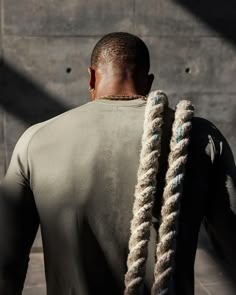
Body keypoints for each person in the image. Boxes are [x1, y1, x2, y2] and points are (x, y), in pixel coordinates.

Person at [0, 32, 235, 295]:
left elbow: (6, 263)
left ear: (91, 77)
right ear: (149, 83)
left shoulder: (34, 140)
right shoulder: (203, 139)